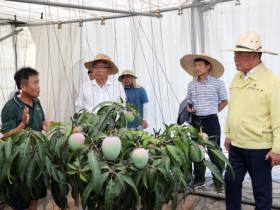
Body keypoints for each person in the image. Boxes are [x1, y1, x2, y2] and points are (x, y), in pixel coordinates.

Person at [224, 31, 280, 210]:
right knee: (230, 182)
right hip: (236, 145)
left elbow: (278, 116)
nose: (235, 58)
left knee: (261, 191)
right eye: (235, 53)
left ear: (254, 55)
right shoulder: (236, 79)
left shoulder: (272, 81)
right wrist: (228, 134)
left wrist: (277, 149)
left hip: (260, 148)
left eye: (239, 54)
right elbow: (232, 109)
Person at [1, 67, 50, 210]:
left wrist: (44, 124)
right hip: (20, 163)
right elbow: (7, 136)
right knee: (20, 200)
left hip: (37, 159)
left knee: (35, 197)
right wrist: (23, 124)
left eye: (38, 82)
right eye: (35, 83)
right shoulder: (10, 108)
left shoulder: (37, 103)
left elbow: (39, 123)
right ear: (23, 86)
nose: (38, 86)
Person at [180, 53, 228, 189]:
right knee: (196, 150)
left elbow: (225, 101)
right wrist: (189, 107)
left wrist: (213, 111)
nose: (197, 68)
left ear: (208, 67)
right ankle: (198, 179)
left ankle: (218, 179)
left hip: (211, 121)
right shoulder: (191, 84)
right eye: (195, 65)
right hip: (195, 121)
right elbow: (188, 100)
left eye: (200, 65)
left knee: (214, 151)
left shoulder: (218, 83)